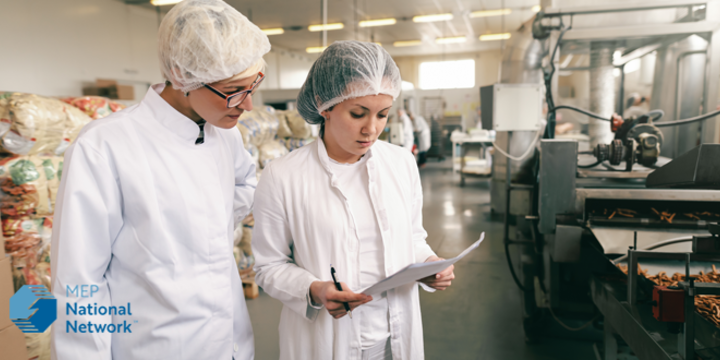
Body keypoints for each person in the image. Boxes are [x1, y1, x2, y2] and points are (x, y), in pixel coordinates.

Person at [50, 1, 270, 359]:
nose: (247, 105)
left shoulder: (224, 135)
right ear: (184, 77)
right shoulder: (105, 146)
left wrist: (202, 225)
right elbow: (78, 284)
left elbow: (244, 186)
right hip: (155, 346)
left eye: (254, 85)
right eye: (234, 90)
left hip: (230, 342)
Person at [252, 40, 455, 360]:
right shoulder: (283, 175)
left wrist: (430, 265)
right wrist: (314, 290)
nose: (371, 129)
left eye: (383, 115)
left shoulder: (401, 163)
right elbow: (268, 266)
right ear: (324, 105)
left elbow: (413, 237)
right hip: (325, 341)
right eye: (358, 113)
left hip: (394, 336)